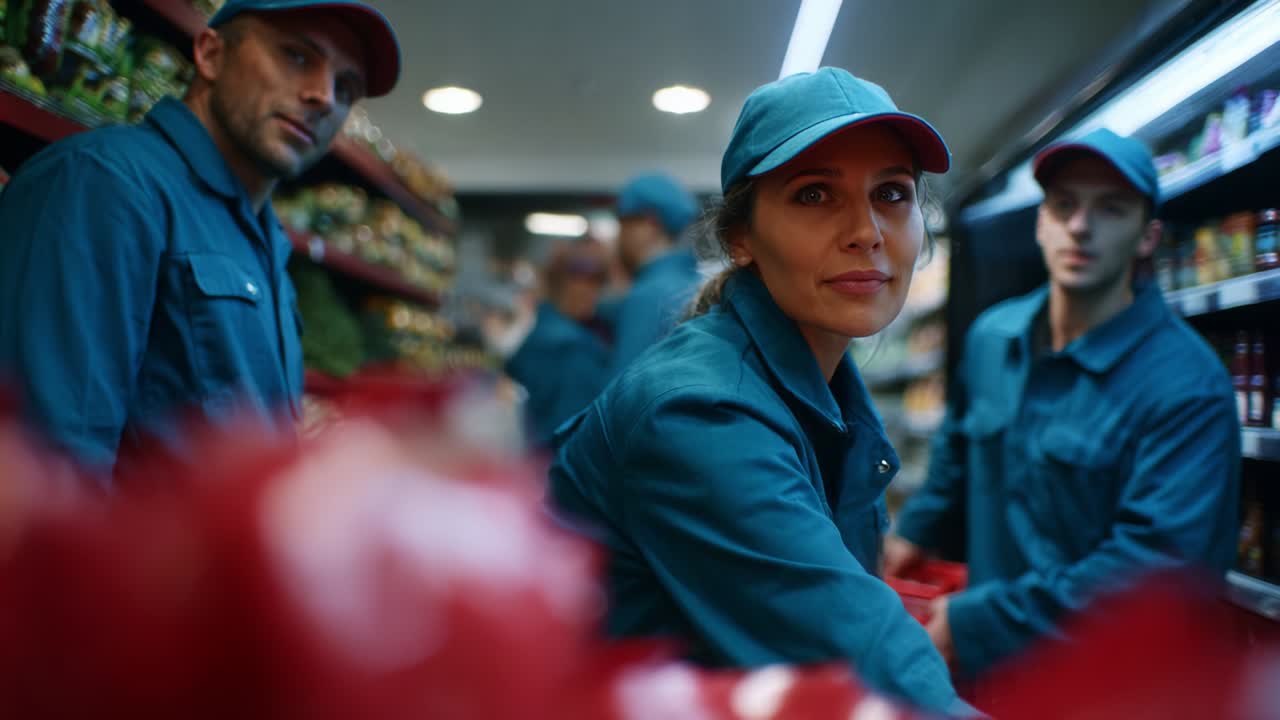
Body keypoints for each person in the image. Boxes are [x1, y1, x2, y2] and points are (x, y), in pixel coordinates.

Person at [548, 68, 973, 716]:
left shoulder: (823, 392)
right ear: (741, 239)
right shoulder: (698, 415)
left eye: (891, 192)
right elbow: (866, 670)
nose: (866, 230)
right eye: (813, 195)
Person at [885, 128, 1241, 678]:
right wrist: (911, 535)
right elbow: (957, 453)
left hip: (1106, 687)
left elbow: (1158, 576)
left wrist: (987, 623)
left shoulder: (1187, 385)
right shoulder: (992, 339)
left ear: (1147, 237)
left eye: (1111, 208)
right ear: (1041, 222)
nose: (1080, 226)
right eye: (1064, 205)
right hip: (991, 673)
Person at [0, 0, 400, 482]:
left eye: (347, 87)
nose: (323, 95)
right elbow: (50, 469)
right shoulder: (106, 184)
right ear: (211, 54)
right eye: (296, 56)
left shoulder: (265, 238)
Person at [504, 238, 613, 449]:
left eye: (598, 280)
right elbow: (570, 437)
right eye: (578, 277)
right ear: (557, 280)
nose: (589, 289)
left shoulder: (548, 329)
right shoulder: (570, 348)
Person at [606, 173, 703, 371]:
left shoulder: (649, 296)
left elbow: (625, 393)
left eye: (623, 225)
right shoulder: (696, 284)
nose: (619, 238)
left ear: (649, 224)